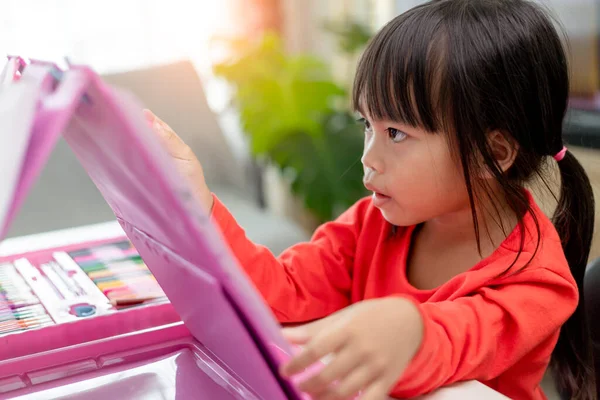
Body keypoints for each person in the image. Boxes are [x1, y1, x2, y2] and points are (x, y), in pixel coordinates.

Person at [144, 0, 596, 399]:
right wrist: (197, 207)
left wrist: (409, 329)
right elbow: (281, 295)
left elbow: (457, 341)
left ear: (492, 154)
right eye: (367, 126)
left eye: (396, 133)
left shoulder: (538, 282)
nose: (368, 159)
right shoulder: (372, 222)